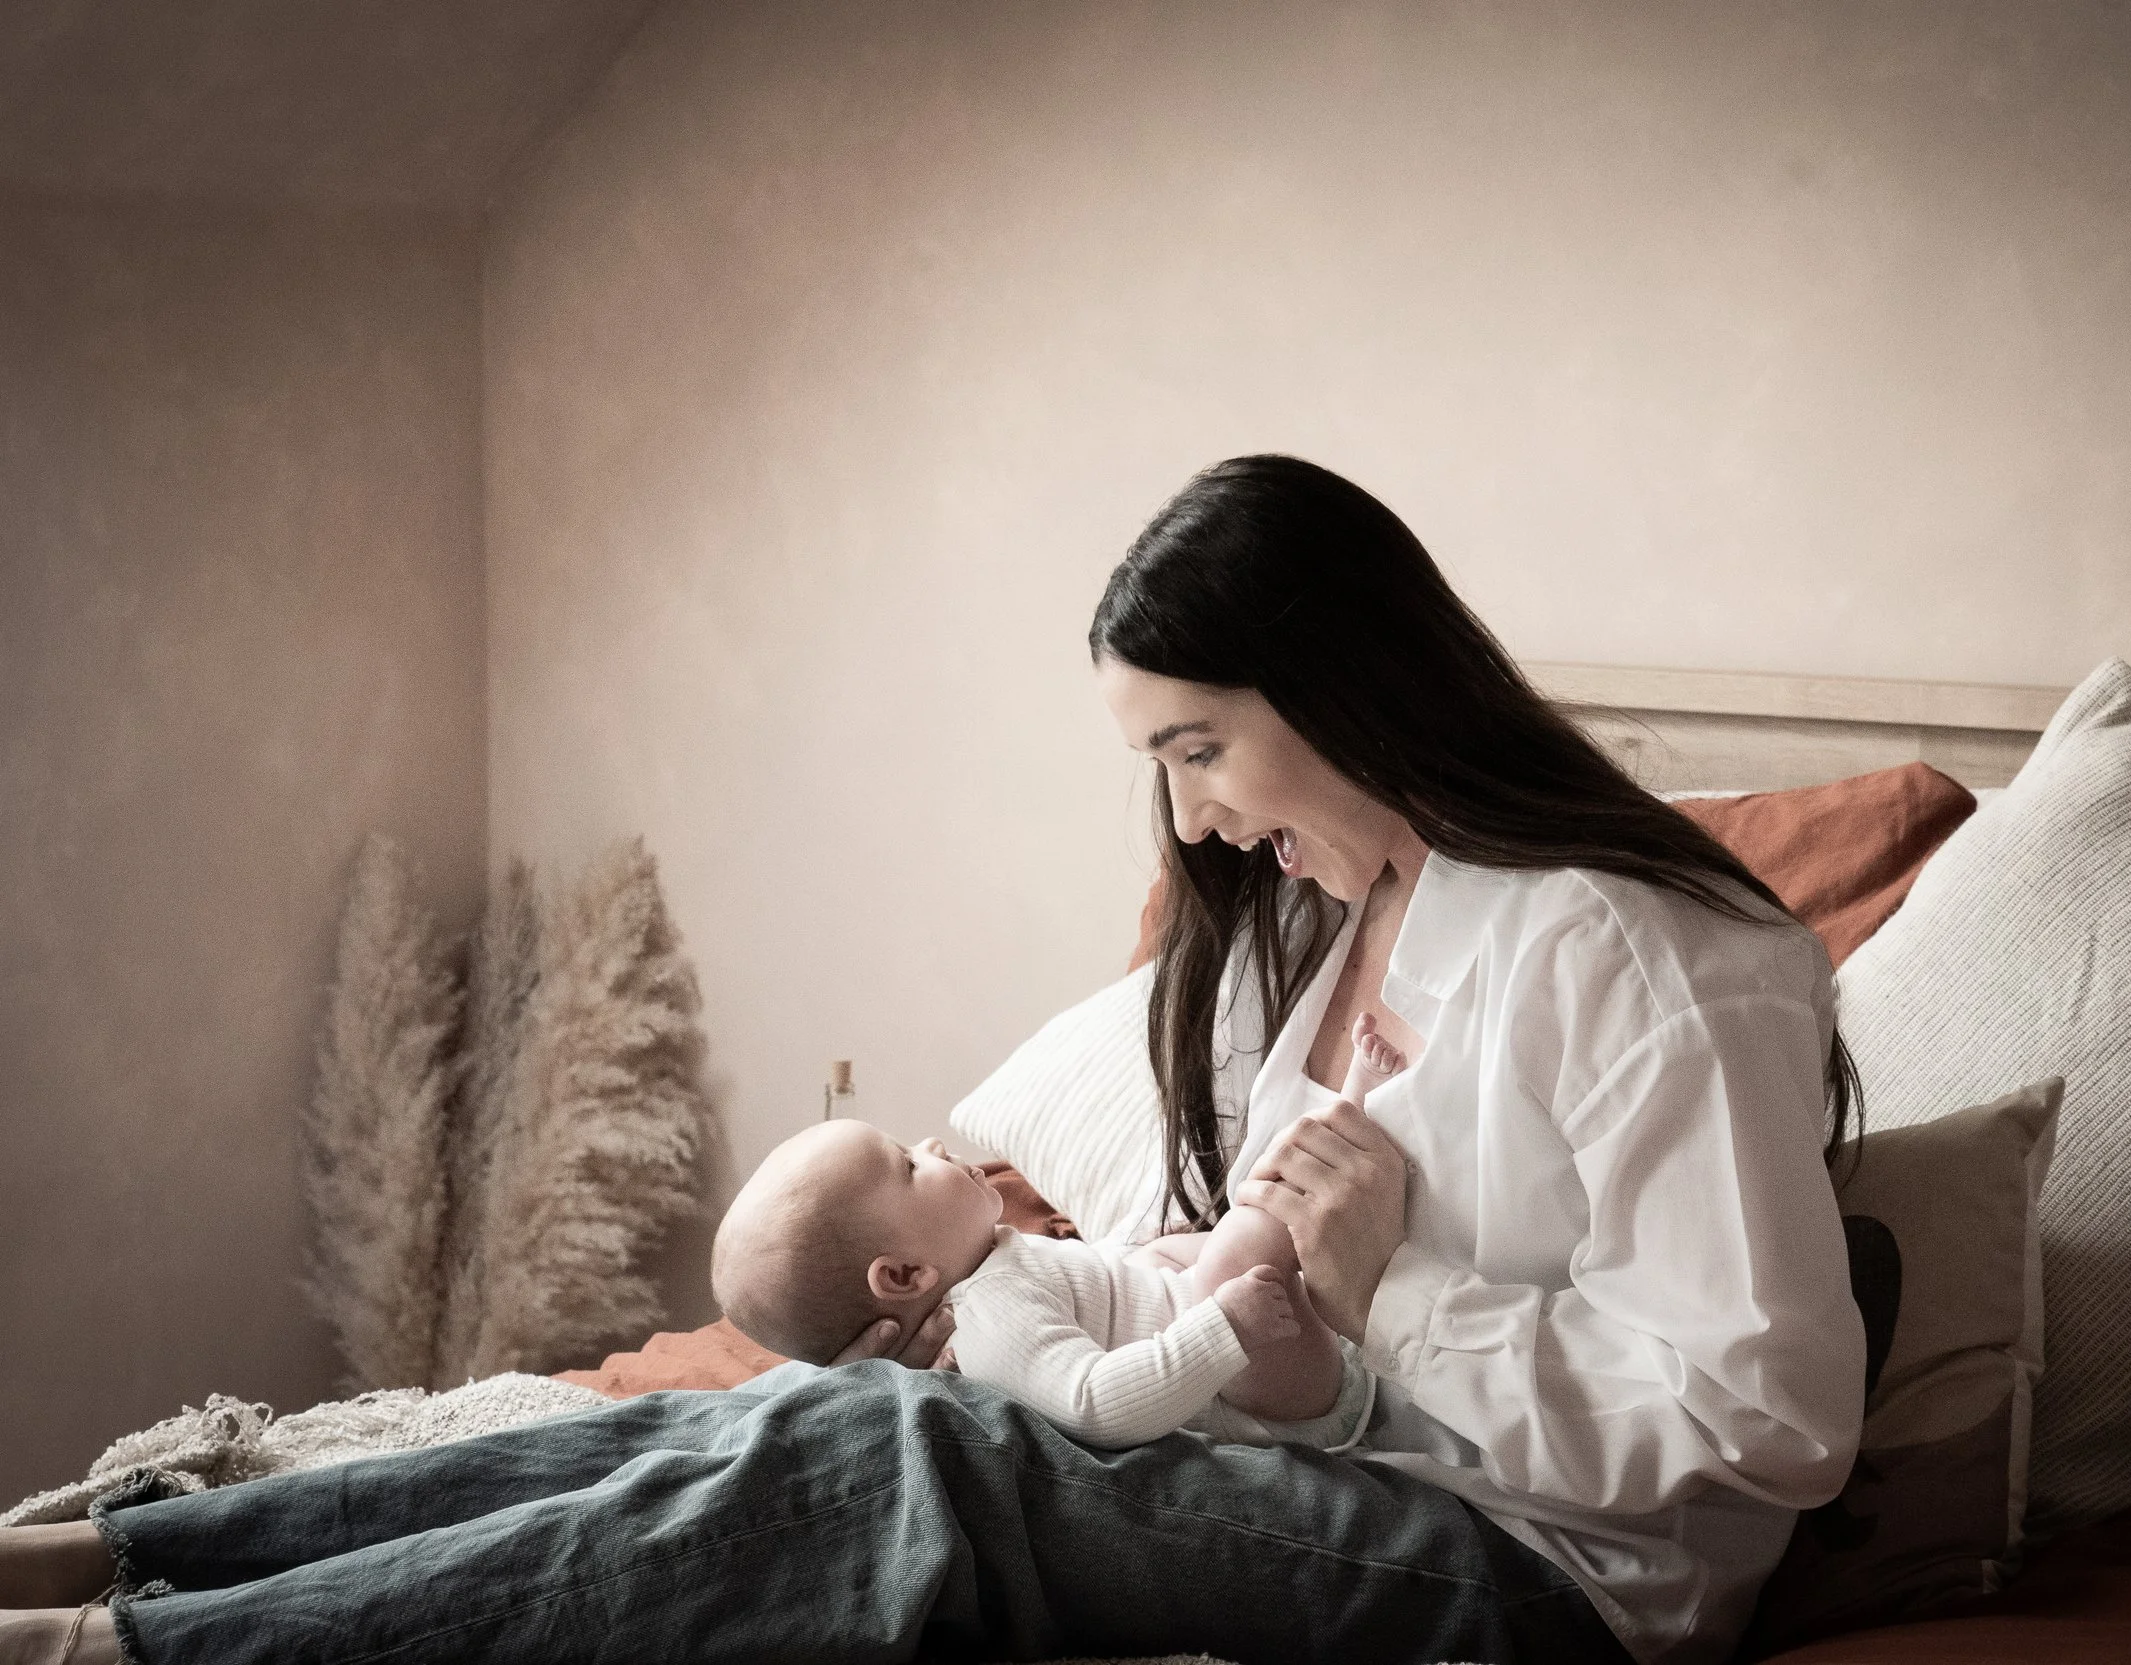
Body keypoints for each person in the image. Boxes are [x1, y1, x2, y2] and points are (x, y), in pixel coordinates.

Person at [0, 455, 1863, 1665]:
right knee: (795, 1414)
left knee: (910, 1462)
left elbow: (1764, 1426)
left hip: (1553, 1592)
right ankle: (147, 1552)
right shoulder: (1324, 930)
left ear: (1346, 684)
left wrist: (1396, 1305)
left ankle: (136, 1657)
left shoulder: (1652, 955)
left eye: (1203, 748)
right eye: (1165, 766)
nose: (1196, 823)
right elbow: (1258, 1311)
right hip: (1353, 1475)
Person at [707, 1115, 1371, 1443]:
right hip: (1270, 1402)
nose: (934, 1147)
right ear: (907, 1273)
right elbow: (1094, 1401)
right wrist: (1222, 1328)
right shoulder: (991, 1319)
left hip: (1262, 1350)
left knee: (1159, 1252)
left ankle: (1354, 1122)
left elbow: (1095, 1284)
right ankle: (1355, 1128)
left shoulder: (994, 1260)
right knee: (1245, 1236)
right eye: (908, 1165)